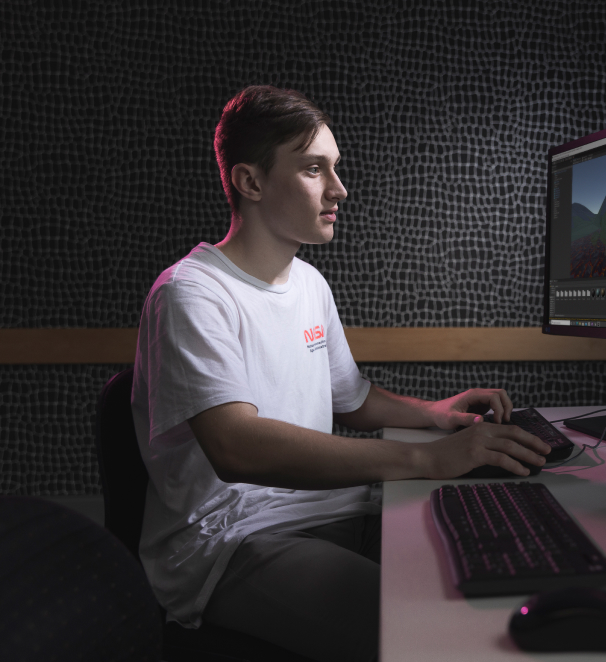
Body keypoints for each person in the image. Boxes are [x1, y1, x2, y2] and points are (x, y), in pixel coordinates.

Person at [131, 85, 550, 662]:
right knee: (426, 633)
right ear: (250, 182)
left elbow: (350, 398)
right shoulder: (191, 293)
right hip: (230, 539)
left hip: (322, 507)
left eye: (336, 167)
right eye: (313, 169)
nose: (339, 189)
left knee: (489, 564)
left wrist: (434, 414)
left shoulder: (310, 284)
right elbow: (236, 446)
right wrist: (426, 458)